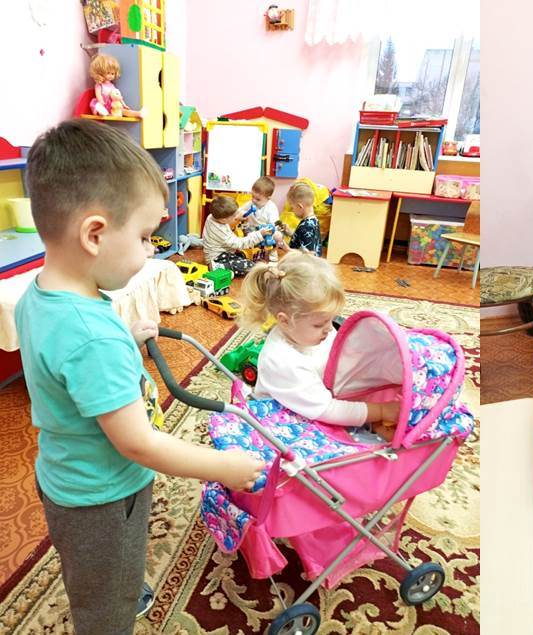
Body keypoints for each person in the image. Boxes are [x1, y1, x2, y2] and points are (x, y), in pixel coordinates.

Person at [14, 119, 264, 634]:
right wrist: (223, 466)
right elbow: (139, 444)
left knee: (96, 567)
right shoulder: (92, 337)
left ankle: (110, 583)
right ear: (94, 234)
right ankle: (110, 605)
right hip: (105, 496)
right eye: (146, 236)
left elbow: (65, 366)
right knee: (105, 602)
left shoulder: (39, 295)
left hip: (65, 478)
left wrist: (123, 340)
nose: (152, 249)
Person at [240, 252, 399, 439]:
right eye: (319, 324)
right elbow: (326, 409)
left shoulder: (310, 334)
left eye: (331, 320)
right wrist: (380, 411)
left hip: (316, 399)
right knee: (365, 446)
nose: (330, 329)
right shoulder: (282, 361)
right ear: (285, 321)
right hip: (286, 420)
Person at [201, 195, 273, 275]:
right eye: (234, 216)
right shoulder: (220, 230)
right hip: (217, 257)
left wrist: (239, 216)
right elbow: (239, 244)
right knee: (250, 266)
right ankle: (218, 267)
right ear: (224, 220)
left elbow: (231, 216)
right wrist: (259, 234)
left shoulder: (212, 216)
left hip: (224, 252)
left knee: (243, 256)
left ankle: (230, 263)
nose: (236, 217)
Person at [285, 182, 322, 256]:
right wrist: (290, 233)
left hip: (303, 262)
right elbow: (303, 239)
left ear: (300, 206)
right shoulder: (313, 220)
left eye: (292, 208)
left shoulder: (305, 227)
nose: (292, 211)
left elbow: (308, 255)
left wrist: (286, 248)